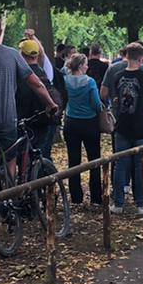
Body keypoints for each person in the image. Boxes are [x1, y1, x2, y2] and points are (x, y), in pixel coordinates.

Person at [0, 15, 58, 236]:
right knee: (10, 162)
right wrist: (50, 103)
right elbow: (35, 82)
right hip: (6, 120)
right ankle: (8, 203)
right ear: (0, 31)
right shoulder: (12, 55)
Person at [102, 43, 143, 216]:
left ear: (126, 56)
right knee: (140, 164)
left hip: (122, 124)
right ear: (142, 58)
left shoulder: (117, 75)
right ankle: (141, 204)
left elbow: (113, 97)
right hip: (141, 124)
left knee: (120, 163)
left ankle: (118, 203)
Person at [61, 53, 104, 207]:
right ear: (80, 66)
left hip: (71, 122)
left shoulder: (65, 81)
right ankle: (96, 197)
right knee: (94, 159)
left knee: (73, 160)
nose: (87, 66)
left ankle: (76, 196)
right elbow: (96, 104)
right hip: (89, 123)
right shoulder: (90, 82)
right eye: (85, 64)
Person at [18, 39, 61, 160]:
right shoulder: (44, 71)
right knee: (41, 155)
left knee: (18, 156)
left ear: (22, 54)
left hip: (22, 120)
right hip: (42, 120)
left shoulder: (18, 73)